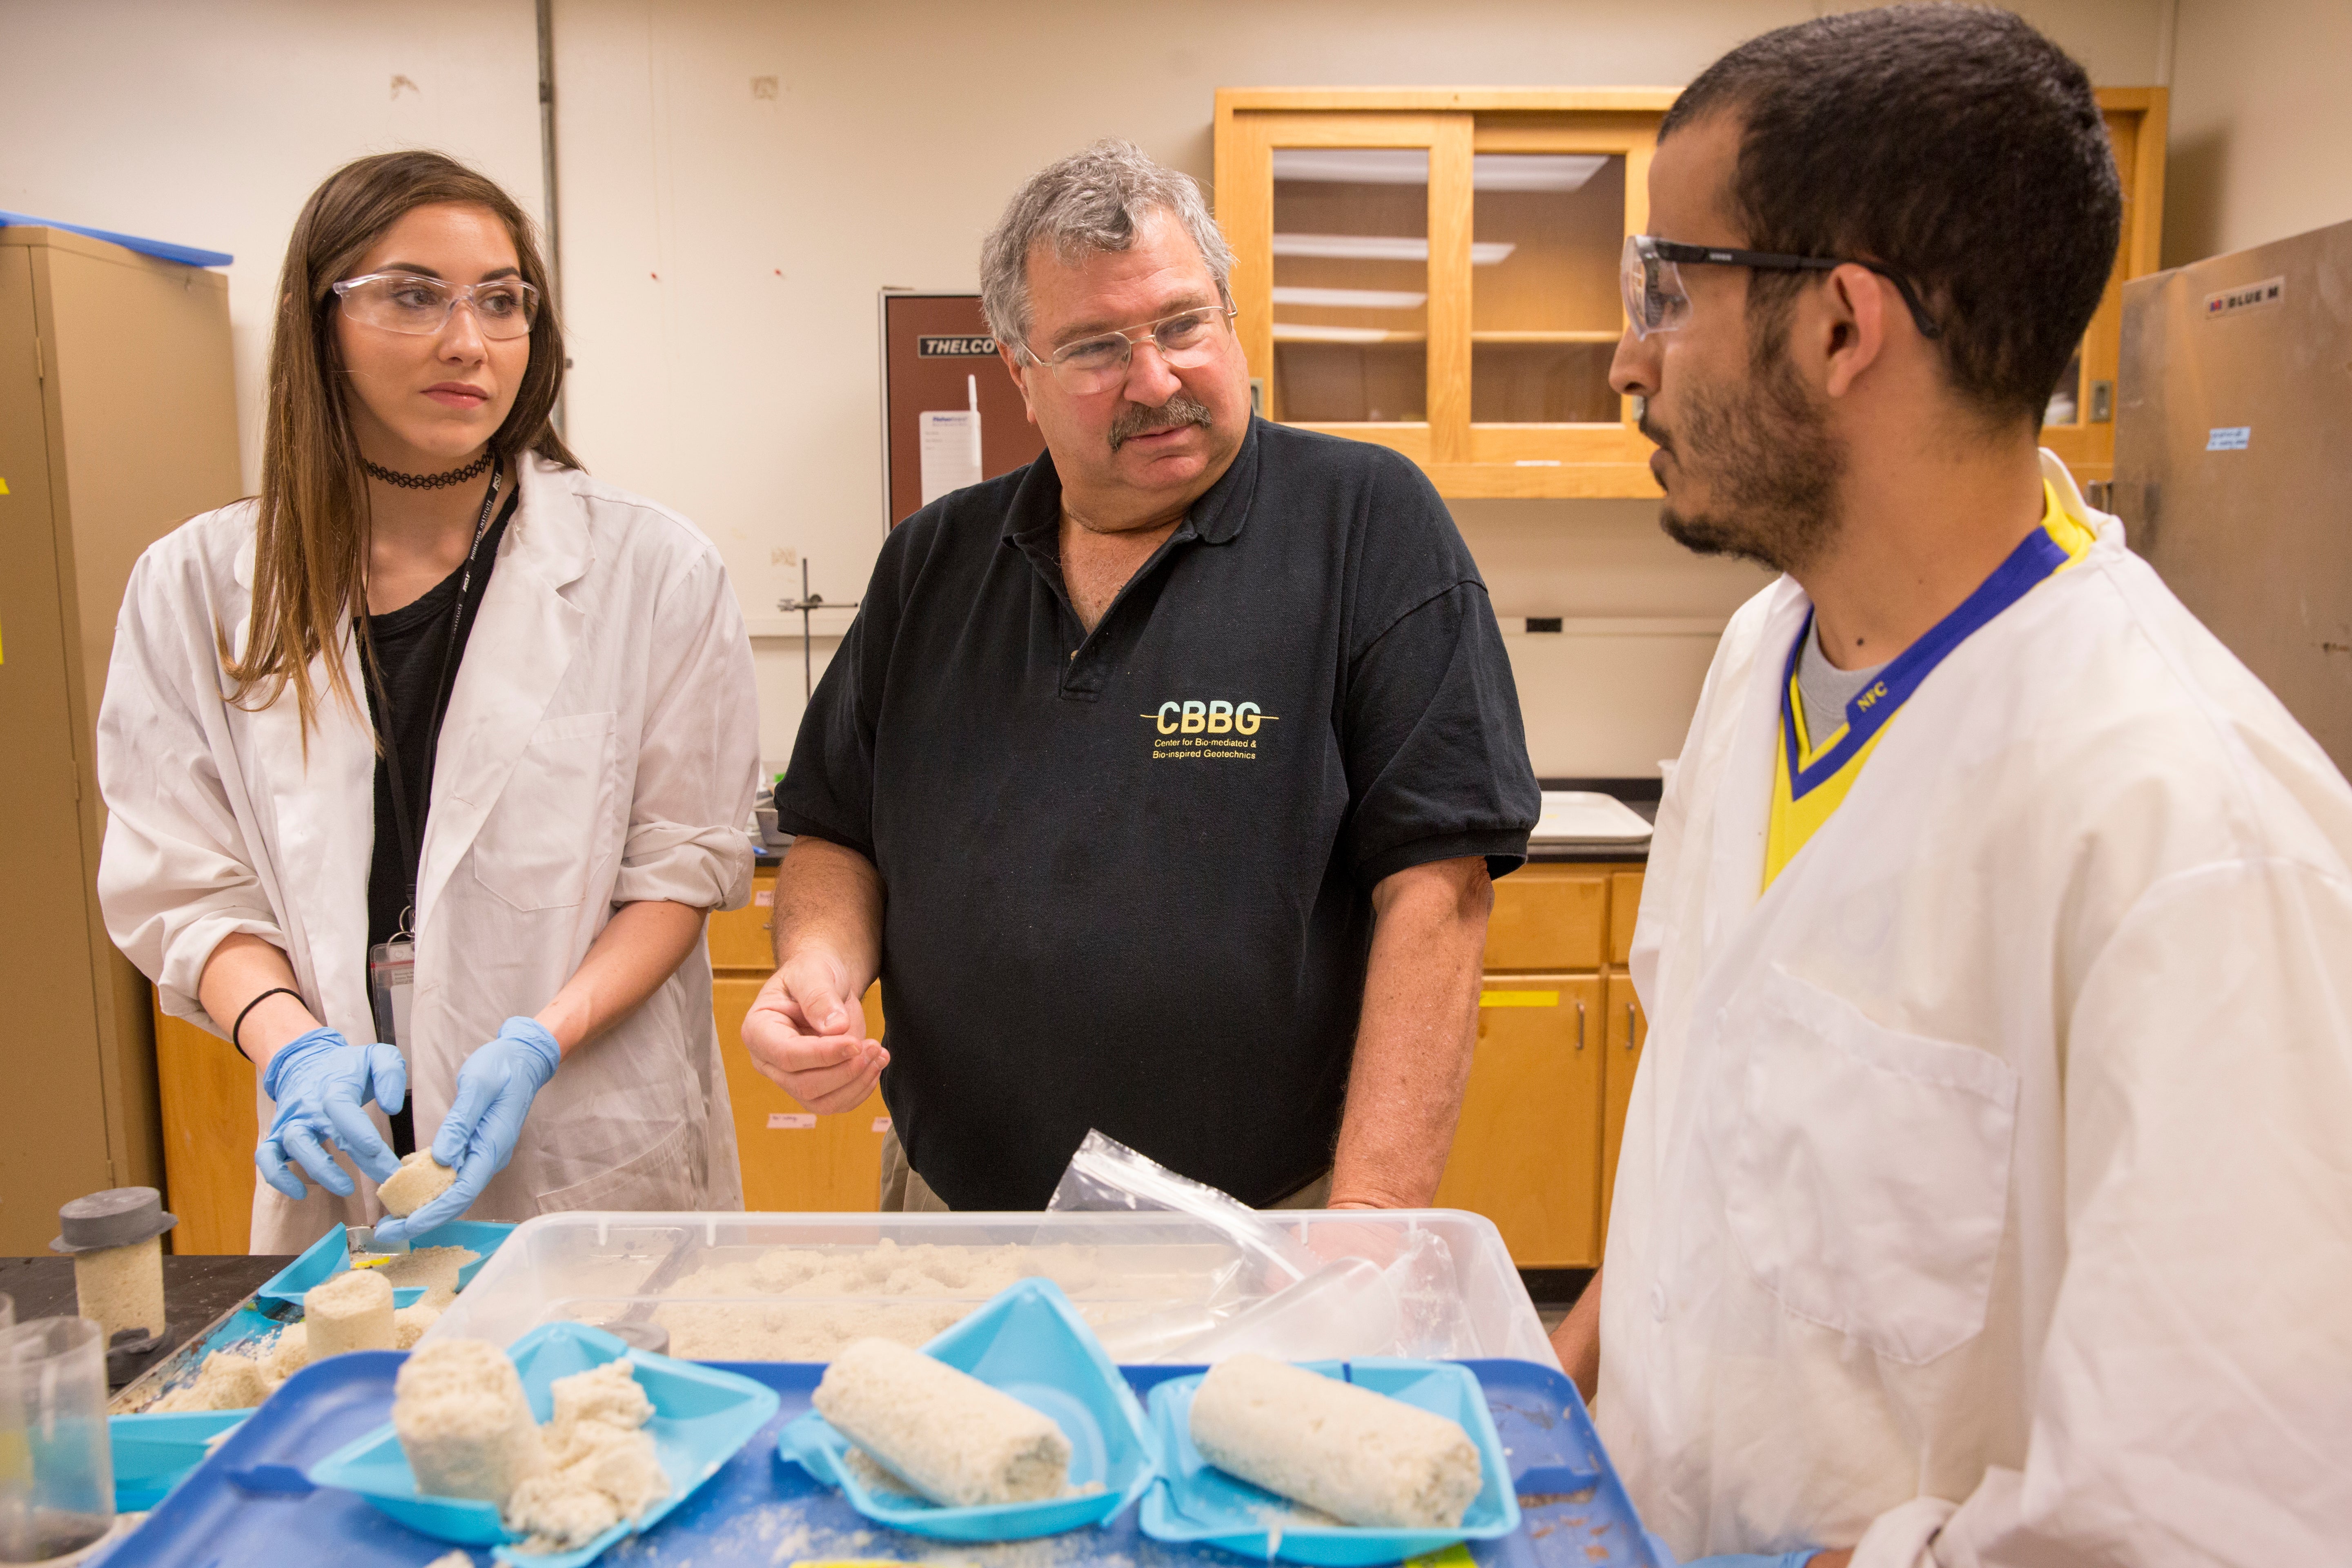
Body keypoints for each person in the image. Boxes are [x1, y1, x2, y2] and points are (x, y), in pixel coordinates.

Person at [1545, 9, 2352, 1565]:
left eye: (1669, 286)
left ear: (1842, 328)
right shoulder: (1762, 659)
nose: (1626, 355)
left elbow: (2214, 1516)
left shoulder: (2194, 835)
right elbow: (1708, 1152)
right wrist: (1545, 1397)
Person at [744, 140, 1539, 1213]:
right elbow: (839, 833)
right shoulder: (933, 561)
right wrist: (820, 970)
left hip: (1270, 1226)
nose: (1156, 381)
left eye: (1181, 325)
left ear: (1231, 317)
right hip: (956, 1213)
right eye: (1096, 348)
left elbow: (1438, 893)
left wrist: (1372, 1225)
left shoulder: (1368, 523)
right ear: (1019, 374)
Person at [98, 151, 760, 1253]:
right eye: (414, 296)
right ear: (322, 322)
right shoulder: (198, 586)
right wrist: (290, 1047)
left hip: (579, 1135)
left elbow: (680, 868)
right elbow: (185, 884)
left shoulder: (651, 569)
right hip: (343, 1135)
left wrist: (541, 1041)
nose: (470, 342)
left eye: (503, 302)